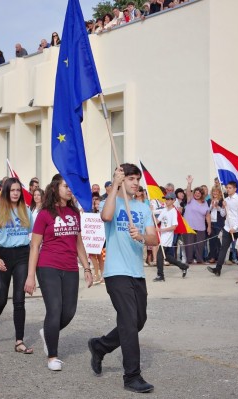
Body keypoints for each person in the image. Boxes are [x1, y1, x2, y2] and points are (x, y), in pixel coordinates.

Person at [87, 164, 157, 393]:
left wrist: (142, 236)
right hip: (116, 272)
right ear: (121, 180)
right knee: (128, 321)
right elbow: (105, 216)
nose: (135, 182)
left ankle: (100, 346)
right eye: (130, 178)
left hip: (137, 272)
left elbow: (154, 238)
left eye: (137, 178)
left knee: (138, 322)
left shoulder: (143, 207)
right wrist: (114, 187)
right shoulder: (113, 201)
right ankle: (132, 377)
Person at [24, 174, 93, 371]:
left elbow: (78, 242)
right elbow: (35, 246)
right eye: (66, 185)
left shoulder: (74, 212)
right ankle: (52, 356)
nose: (70, 189)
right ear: (55, 188)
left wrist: (87, 267)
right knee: (54, 309)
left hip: (70, 267)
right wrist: (30, 276)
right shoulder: (45, 214)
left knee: (69, 312)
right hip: (48, 266)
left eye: (71, 186)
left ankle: (47, 332)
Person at [0, 178, 33, 351]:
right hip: (2, 255)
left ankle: (19, 341)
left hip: (22, 255)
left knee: (19, 300)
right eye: (12, 190)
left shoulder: (25, 210)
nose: (15, 193)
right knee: (2, 299)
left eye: (18, 190)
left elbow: (31, 235)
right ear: (6, 191)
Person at [207, 181, 238, 277]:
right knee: (223, 248)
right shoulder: (226, 199)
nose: (228, 189)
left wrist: (235, 227)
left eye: (230, 188)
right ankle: (218, 269)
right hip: (227, 227)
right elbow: (224, 213)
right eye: (227, 187)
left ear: (235, 189)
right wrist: (221, 207)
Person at [153, 192, 189, 282]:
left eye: (169, 199)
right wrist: (152, 215)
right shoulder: (164, 210)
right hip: (162, 236)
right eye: (166, 199)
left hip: (167, 236)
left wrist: (161, 230)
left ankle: (160, 275)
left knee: (159, 256)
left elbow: (174, 226)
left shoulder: (174, 212)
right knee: (168, 257)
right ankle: (183, 266)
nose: (167, 201)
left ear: (173, 200)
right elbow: (157, 221)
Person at [184, 175, 211, 264]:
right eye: (196, 192)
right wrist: (189, 183)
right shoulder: (190, 200)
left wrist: (209, 227)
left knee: (200, 245)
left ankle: (200, 260)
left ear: (202, 194)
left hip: (201, 227)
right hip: (189, 226)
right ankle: (189, 260)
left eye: (199, 193)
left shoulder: (205, 203)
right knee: (189, 245)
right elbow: (188, 192)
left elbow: (207, 215)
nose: (197, 194)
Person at [207, 187, 226, 263]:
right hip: (211, 223)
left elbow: (223, 214)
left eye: (216, 192)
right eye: (214, 191)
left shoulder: (222, 201)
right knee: (212, 241)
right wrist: (211, 206)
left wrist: (217, 207)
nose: (215, 193)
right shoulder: (209, 201)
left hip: (219, 224)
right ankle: (212, 257)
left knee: (218, 241)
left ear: (220, 193)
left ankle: (219, 258)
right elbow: (207, 212)